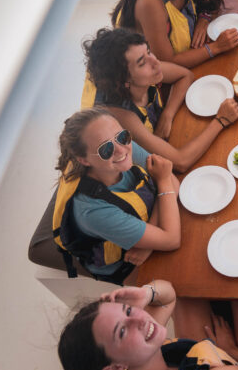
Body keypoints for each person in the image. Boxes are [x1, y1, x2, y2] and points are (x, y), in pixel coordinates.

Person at [58, 279, 238, 370]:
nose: (140, 319)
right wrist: (232, 349)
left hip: (197, 369)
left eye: (128, 310)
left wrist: (145, 294)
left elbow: (168, 295)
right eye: (121, 330)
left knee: (188, 290)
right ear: (114, 367)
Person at [82, 28, 238, 173]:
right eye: (142, 62)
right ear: (123, 81)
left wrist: (168, 114)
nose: (156, 61)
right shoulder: (121, 117)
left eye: (148, 51)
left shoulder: (146, 71)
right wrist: (221, 120)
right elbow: (180, 162)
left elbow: (185, 75)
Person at [52, 108, 181, 284]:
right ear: (84, 160)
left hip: (146, 239)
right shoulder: (92, 211)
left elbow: (173, 183)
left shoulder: (119, 144)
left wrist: (147, 245)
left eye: (122, 136)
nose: (120, 150)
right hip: (128, 264)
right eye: (105, 149)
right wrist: (163, 181)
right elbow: (172, 240)